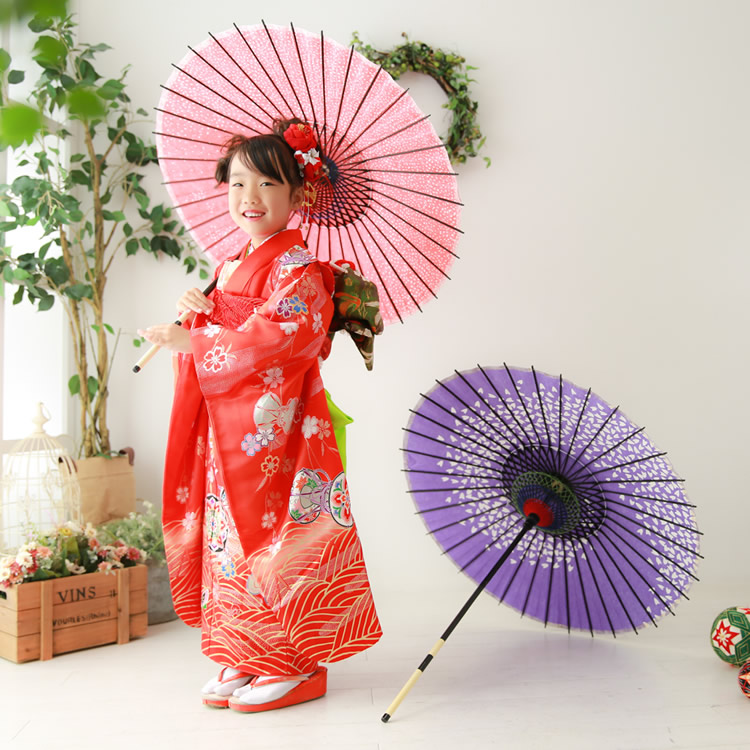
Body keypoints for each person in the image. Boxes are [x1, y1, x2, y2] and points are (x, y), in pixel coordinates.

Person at [138, 119, 382, 713]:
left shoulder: (299, 268)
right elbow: (228, 325)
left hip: (279, 430)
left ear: (299, 194)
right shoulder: (232, 263)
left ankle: (295, 664)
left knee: (277, 536)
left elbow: (284, 338)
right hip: (230, 430)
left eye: (268, 183)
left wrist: (197, 340)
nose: (249, 197)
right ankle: (243, 649)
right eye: (237, 182)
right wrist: (199, 313)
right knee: (228, 536)